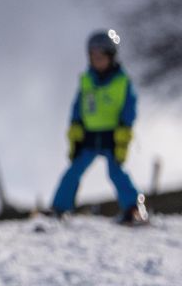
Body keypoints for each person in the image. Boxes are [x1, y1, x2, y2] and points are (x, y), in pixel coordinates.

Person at [50, 30, 148, 225]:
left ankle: (133, 208)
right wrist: (75, 129)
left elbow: (130, 108)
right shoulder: (86, 80)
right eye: (93, 57)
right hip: (89, 135)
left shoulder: (122, 81)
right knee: (74, 171)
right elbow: (78, 107)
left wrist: (125, 132)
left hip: (113, 134)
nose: (97, 61)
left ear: (111, 57)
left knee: (116, 172)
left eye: (101, 57)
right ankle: (59, 209)